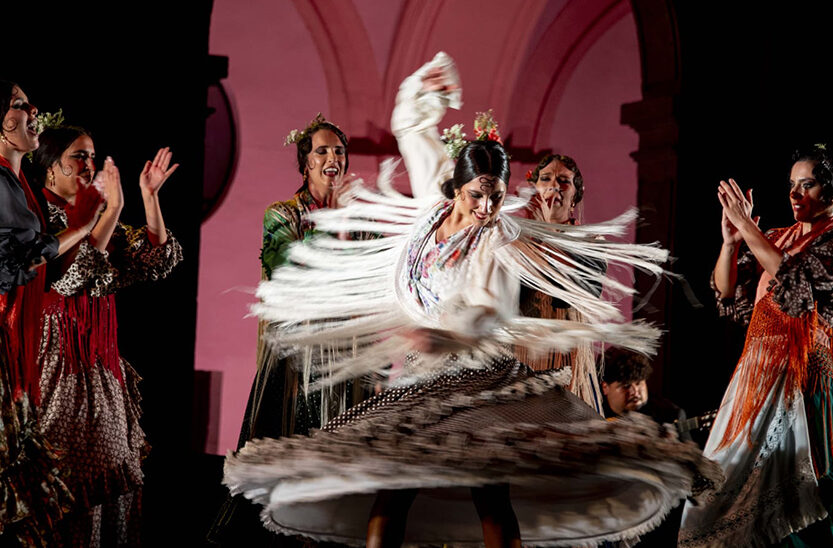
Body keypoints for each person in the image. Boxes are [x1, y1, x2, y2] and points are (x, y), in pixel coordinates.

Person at [225, 53, 721, 547]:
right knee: (394, 492)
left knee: (490, 494)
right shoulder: (430, 209)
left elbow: (488, 310)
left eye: (497, 197)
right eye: (477, 196)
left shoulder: (497, 240)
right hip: (424, 376)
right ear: (456, 187)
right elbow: (411, 127)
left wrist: (442, 333)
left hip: (480, 378)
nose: (486, 208)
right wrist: (427, 86)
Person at [679, 145, 833, 546]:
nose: (795, 194)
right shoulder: (778, 236)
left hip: (801, 378)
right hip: (756, 372)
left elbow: (797, 291)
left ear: (832, 192)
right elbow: (728, 298)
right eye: (791, 186)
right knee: (721, 492)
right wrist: (731, 241)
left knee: (800, 496)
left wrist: (747, 226)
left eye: (808, 185)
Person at [209, 114, 368, 546]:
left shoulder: (360, 221)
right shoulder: (281, 214)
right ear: (305, 163)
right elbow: (286, 271)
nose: (332, 157)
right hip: (298, 356)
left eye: (338, 151)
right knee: (294, 450)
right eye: (322, 151)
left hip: (349, 354)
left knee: (341, 459)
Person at [30, 125, 182, 546]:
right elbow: (76, 276)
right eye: (78, 156)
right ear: (49, 167)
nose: (89, 165)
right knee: (68, 479)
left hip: (99, 364)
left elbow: (155, 261)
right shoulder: (40, 218)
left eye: (92, 156)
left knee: (113, 474)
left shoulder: (92, 215)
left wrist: (149, 198)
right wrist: (111, 209)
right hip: (56, 364)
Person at [0, 82, 100, 546]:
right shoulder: (1, 182)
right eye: (19, 105)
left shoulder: (19, 185)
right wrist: (84, 223)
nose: (31, 109)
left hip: (22, 338)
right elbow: (27, 260)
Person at [516, 153, 605, 413]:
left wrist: (551, 232)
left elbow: (579, 292)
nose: (554, 185)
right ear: (535, 188)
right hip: (523, 353)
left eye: (564, 180)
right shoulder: (519, 240)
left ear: (576, 194)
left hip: (565, 355)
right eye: (546, 179)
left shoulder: (591, 242)